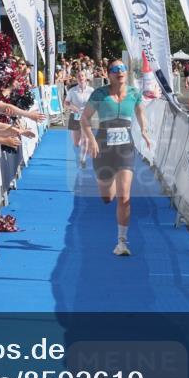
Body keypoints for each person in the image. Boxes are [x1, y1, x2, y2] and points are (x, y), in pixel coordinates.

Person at [80, 60, 152, 257]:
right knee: (107, 197)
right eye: (115, 69)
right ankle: (105, 183)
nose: (119, 72)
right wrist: (91, 139)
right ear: (108, 73)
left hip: (125, 149)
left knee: (125, 196)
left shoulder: (134, 93)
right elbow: (84, 118)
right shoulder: (100, 94)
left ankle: (121, 242)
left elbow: (140, 112)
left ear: (126, 73)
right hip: (102, 148)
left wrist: (144, 131)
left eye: (122, 69)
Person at [65, 74, 94, 167]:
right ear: (77, 79)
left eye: (82, 76)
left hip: (86, 116)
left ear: (86, 78)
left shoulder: (91, 90)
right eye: (79, 76)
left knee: (85, 138)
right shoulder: (72, 91)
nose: (81, 78)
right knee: (76, 142)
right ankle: (79, 153)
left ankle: (83, 159)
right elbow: (66, 102)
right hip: (75, 116)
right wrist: (72, 107)